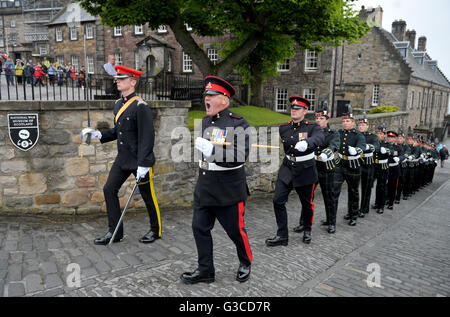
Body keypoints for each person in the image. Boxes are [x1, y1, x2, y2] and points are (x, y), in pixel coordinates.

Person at [181, 76, 253, 284]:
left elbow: (239, 156)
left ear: (224, 99)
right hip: (205, 186)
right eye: (206, 95)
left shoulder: (239, 123)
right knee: (199, 228)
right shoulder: (205, 121)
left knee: (236, 232)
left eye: (212, 95)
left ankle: (246, 262)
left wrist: (214, 150)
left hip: (228, 189)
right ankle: (206, 271)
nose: (207, 98)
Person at [80, 65, 161, 246]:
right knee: (109, 189)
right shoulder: (119, 104)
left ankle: (156, 231)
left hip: (140, 160)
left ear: (133, 82)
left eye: (122, 79)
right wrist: (99, 135)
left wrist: (144, 163)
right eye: (117, 79)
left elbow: (148, 136)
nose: (117, 81)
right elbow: (119, 131)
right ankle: (115, 232)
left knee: (148, 196)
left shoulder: (141, 106)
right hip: (123, 158)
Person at [265, 96, 324, 246]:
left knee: (306, 203)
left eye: (297, 109)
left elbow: (319, 138)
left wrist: (307, 142)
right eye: (292, 108)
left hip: (305, 169)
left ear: (305, 111)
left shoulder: (312, 126)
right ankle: (282, 235)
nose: (294, 110)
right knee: (278, 200)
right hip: (287, 168)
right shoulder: (284, 127)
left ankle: (308, 229)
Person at [335, 106, 366, 226]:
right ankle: (330, 217)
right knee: (334, 189)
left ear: (353, 122)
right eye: (343, 121)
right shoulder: (339, 133)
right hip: (340, 163)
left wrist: (357, 150)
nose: (345, 123)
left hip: (353, 165)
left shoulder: (358, 135)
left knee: (353, 191)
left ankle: (353, 215)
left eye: (347, 121)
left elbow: (362, 146)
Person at [313, 107, 340, 234]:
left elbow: (334, 144)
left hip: (327, 168)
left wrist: (327, 152)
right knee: (308, 196)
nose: (318, 121)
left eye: (321, 118)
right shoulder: (312, 132)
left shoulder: (333, 133)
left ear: (327, 120)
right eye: (317, 118)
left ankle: (331, 222)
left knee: (329, 196)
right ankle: (304, 222)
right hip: (313, 167)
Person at [357, 116, 380, 218]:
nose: (361, 126)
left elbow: (376, 146)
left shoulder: (372, 136)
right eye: (359, 125)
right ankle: (353, 209)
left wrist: (368, 147)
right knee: (354, 188)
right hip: (356, 162)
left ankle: (363, 208)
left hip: (367, 163)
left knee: (366, 188)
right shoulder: (355, 135)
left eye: (363, 125)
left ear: (367, 126)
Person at [372, 125, 390, 214]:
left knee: (382, 186)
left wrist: (386, 150)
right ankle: (376, 203)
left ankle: (381, 206)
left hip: (383, 166)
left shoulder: (387, 143)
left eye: (380, 133)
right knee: (374, 186)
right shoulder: (374, 142)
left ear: (384, 135)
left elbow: (391, 151)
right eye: (377, 133)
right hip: (374, 165)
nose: (378, 135)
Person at [385, 131, 404, 210]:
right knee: (385, 185)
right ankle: (386, 199)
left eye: (392, 137)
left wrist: (399, 158)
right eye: (389, 137)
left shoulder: (398, 147)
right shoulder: (385, 145)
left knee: (393, 187)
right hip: (385, 167)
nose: (390, 138)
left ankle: (391, 203)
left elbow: (403, 155)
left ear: (395, 138)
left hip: (394, 169)